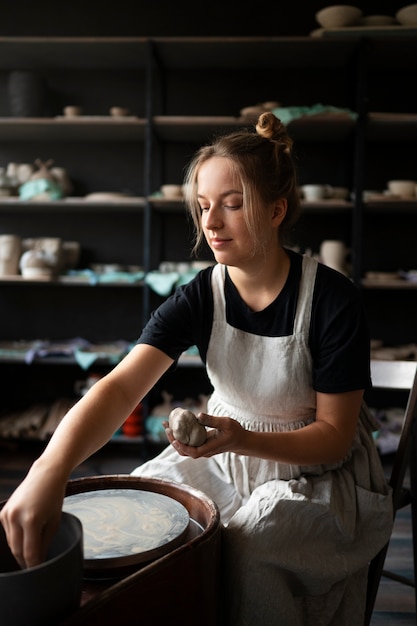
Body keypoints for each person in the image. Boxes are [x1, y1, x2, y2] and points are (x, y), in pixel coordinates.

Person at [1, 112, 393, 625]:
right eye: (204, 206)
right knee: (144, 517)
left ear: (276, 210)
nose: (211, 223)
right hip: (226, 457)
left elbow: (334, 438)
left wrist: (238, 437)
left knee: (251, 544)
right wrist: (48, 469)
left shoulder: (333, 300)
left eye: (232, 205)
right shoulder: (200, 296)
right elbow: (120, 388)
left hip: (315, 476)